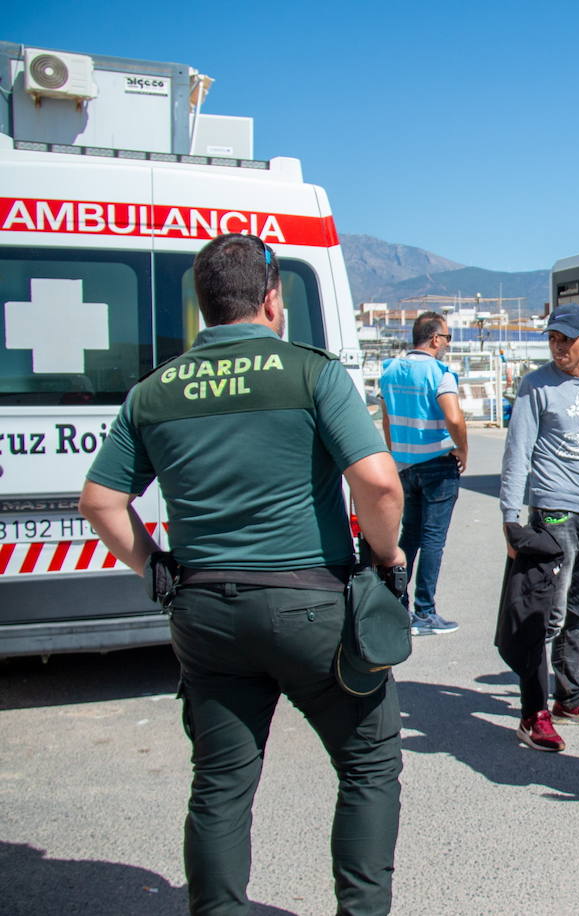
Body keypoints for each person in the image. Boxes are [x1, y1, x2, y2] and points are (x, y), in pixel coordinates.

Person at [78, 233, 406, 913]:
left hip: (205, 614)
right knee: (369, 764)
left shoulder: (154, 391)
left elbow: (101, 502)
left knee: (221, 783)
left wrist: (156, 569)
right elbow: (379, 486)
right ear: (272, 297)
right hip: (309, 608)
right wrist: (386, 556)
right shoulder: (310, 372)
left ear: (202, 308)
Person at [499, 301, 579, 751]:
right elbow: (518, 452)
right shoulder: (535, 386)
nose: (558, 346)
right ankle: (533, 714)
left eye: (566, 339)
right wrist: (510, 517)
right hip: (553, 511)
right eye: (552, 338)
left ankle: (570, 697)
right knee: (544, 613)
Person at [377, 311, 467, 636]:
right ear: (433, 339)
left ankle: (395, 605)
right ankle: (425, 612)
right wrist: (463, 449)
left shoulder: (389, 371)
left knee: (409, 536)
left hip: (405, 465)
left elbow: (387, 419)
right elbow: (454, 418)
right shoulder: (439, 372)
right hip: (438, 465)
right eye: (447, 338)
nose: (446, 345)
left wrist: (395, 454)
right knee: (433, 539)